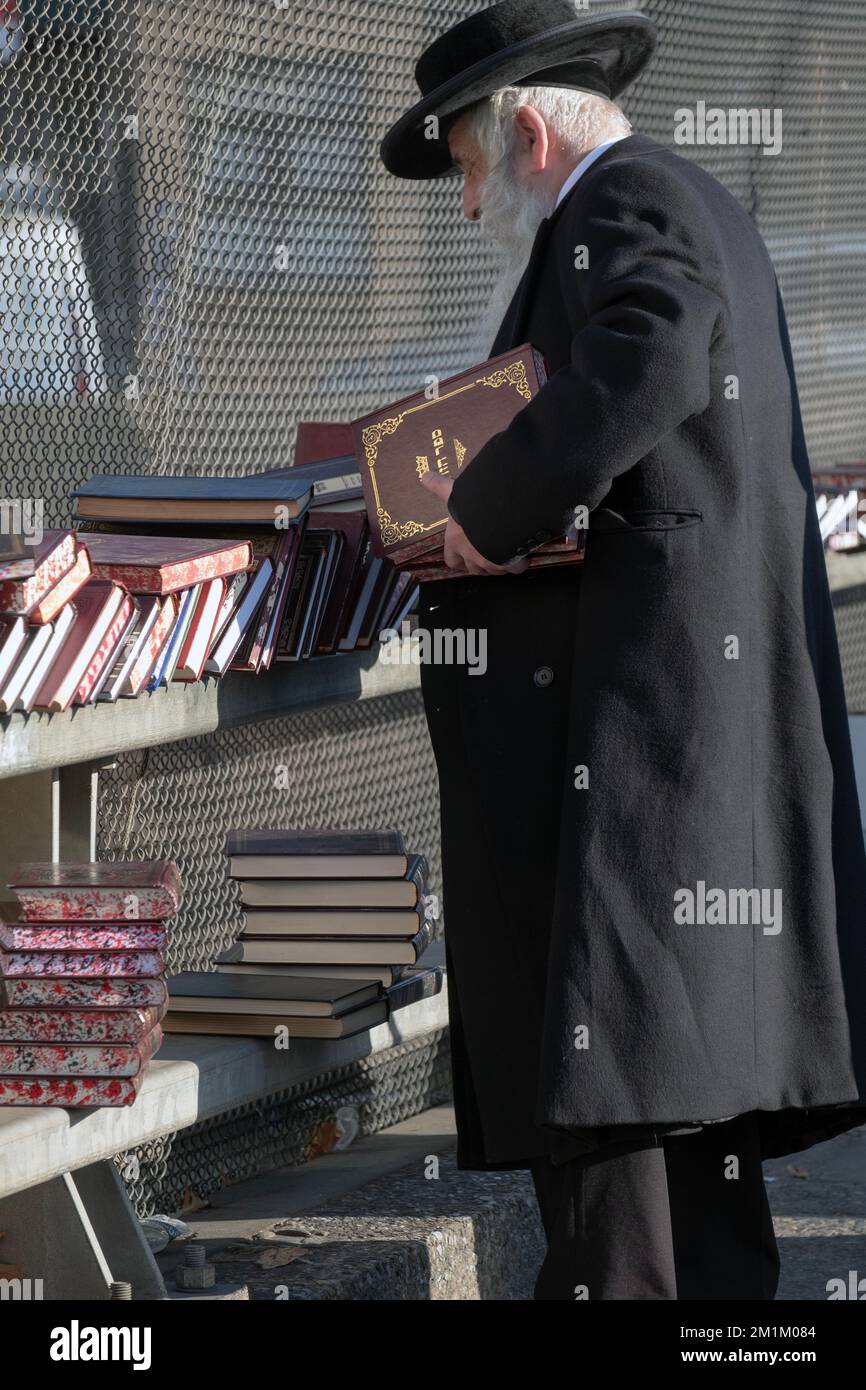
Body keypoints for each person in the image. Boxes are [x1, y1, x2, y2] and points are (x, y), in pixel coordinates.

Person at [379, 1, 866, 1300]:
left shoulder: (619, 205)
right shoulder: (696, 196)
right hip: (684, 803)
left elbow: (647, 353)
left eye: (469, 167)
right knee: (694, 1172)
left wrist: (482, 515)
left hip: (630, 795)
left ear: (527, 132)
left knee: (619, 1184)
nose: (470, 201)